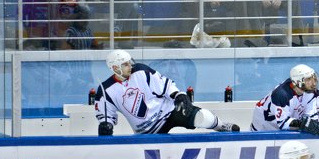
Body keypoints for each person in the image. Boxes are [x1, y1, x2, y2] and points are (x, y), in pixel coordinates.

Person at [94, 49, 241, 135]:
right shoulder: (105, 90)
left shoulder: (140, 70)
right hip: (146, 131)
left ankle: (221, 126)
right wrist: (105, 124)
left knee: (201, 116)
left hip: (167, 112)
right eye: (125, 64)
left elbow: (165, 84)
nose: (130, 66)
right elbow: (106, 115)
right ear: (115, 68)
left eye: (129, 62)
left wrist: (179, 95)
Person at [251, 64, 319, 134]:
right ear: (298, 82)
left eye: (313, 78)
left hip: (281, 125)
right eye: (309, 79)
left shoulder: (308, 91)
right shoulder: (281, 95)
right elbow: (283, 124)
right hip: (263, 125)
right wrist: (303, 124)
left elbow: (310, 116)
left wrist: (313, 124)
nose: (313, 82)